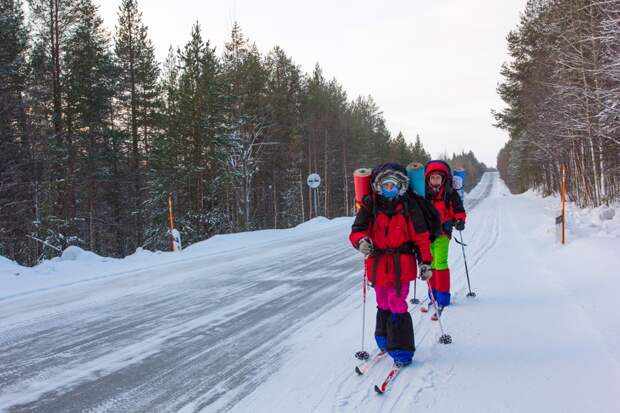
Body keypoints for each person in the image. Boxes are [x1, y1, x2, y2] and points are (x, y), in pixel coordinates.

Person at [350, 163, 433, 367]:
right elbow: (357, 229)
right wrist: (361, 241)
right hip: (377, 264)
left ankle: (402, 349)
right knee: (383, 301)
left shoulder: (409, 206)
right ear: (378, 186)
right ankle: (385, 340)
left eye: (393, 185)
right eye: (386, 185)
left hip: (402, 265)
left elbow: (421, 236)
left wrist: (425, 262)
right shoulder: (370, 204)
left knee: (397, 302)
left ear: (401, 185)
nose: (389, 189)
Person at [422, 160, 466, 318]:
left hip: (442, 233)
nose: (435, 181)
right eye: (432, 178)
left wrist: (460, 220)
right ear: (428, 179)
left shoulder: (450, 193)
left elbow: (458, 208)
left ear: (443, 179)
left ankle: (443, 296)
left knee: (440, 263)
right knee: (430, 263)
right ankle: (432, 295)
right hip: (426, 235)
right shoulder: (423, 195)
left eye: (438, 178)